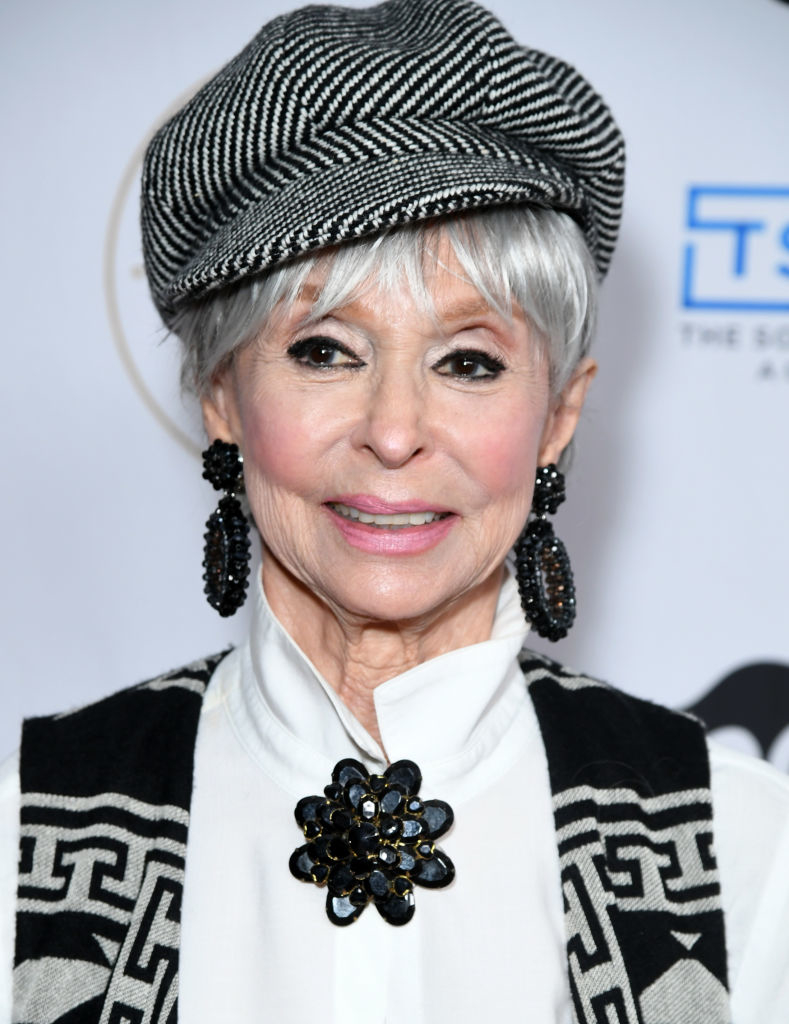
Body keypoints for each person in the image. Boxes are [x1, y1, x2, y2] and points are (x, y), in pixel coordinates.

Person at [2, 0, 788, 1021]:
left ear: (559, 413)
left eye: (468, 361)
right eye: (325, 349)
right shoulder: (27, 826)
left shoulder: (744, 853)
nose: (394, 430)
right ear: (221, 396)